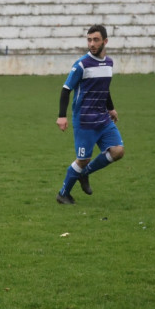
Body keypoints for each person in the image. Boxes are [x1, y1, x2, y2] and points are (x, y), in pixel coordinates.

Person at [55, 24, 125, 205]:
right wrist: (62, 116)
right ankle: (63, 194)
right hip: (84, 120)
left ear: (105, 41)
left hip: (103, 119)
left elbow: (104, 88)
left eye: (96, 40)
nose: (92, 44)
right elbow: (66, 89)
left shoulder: (109, 63)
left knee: (118, 151)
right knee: (83, 159)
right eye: (89, 40)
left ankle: (84, 174)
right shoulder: (81, 65)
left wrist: (111, 108)